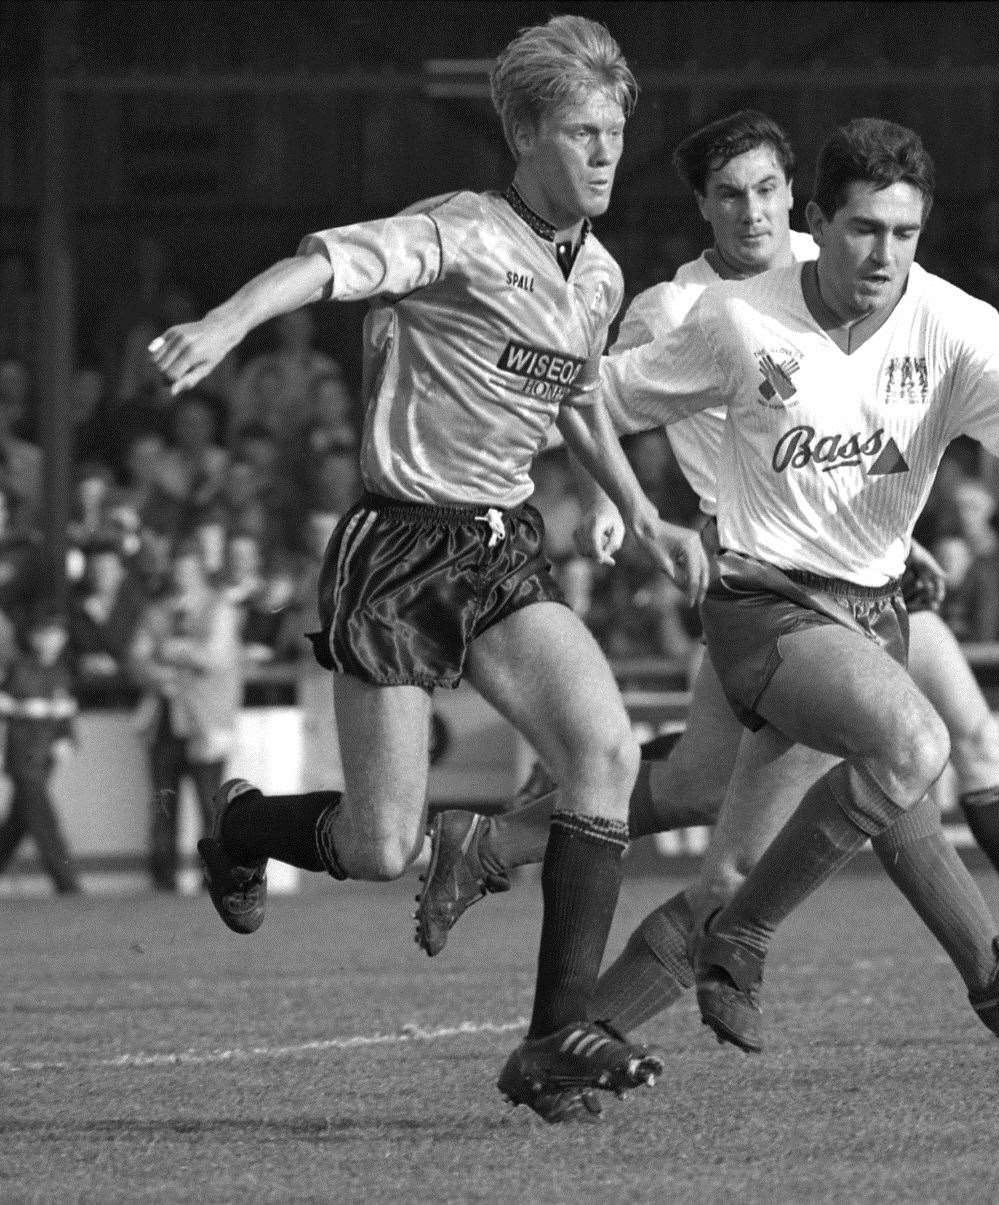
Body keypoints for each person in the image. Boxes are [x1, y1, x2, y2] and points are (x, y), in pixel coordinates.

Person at [415, 111, 999, 1018]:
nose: (883, 252)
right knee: (910, 747)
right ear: (819, 220)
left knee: (752, 797)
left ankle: (554, 999)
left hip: (870, 606)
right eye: (864, 229)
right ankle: (749, 943)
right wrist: (525, 427)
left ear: (792, 201)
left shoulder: (950, 322)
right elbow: (603, 397)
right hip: (760, 601)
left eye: (904, 233)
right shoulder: (719, 315)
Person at [147, 14, 705, 1123]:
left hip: (498, 545)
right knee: (380, 841)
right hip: (397, 545)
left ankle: (555, 1038)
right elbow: (323, 264)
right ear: (528, 134)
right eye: (586, 132)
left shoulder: (596, 273)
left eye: (615, 132)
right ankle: (246, 826)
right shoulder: (454, 231)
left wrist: (638, 510)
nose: (607, 153)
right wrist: (223, 321)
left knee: (600, 751)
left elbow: (579, 395)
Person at [127, 541, 245, 892]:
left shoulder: (219, 608)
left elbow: (217, 658)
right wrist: (158, 676)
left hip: (205, 722)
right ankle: (162, 880)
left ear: (199, 572)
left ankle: (216, 879)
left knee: (211, 805)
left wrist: (174, 650)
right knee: (164, 804)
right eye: (178, 571)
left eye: (188, 571)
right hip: (165, 720)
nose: (182, 578)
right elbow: (136, 659)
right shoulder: (157, 610)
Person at [0, 608, 81, 895]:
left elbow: (65, 714)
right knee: (44, 820)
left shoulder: (61, 672)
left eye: (56, 635)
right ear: (33, 638)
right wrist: (26, 709)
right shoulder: (18, 668)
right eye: (45, 635)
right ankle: (67, 883)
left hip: (45, 757)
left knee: (18, 822)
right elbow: (6, 701)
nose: (51, 641)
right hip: (23, 755)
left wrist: (68, 739)